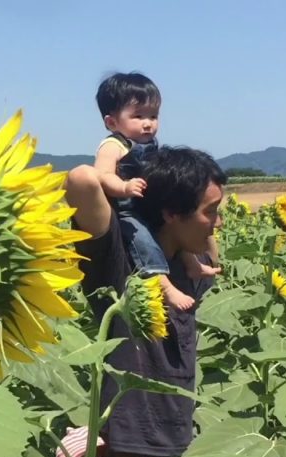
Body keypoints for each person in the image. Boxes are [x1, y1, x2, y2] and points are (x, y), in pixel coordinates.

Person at [64, 146, 226, 457]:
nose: (218, 223)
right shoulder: (118, 264)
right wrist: (115, 164)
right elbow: (81, 181)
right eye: (211, 211)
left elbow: (213, 250)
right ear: (172, 212)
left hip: (176, 451)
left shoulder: (191, 269)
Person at [74, 72, 219, 311]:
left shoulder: (150, 145)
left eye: (153, 115)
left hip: (148, 203)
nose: (148, 123)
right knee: (144, 240)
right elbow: (102, 175)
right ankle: (163, 283)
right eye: (138, 116)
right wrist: (124, 187)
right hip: (127, 210)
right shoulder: (113, 146)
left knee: (176, 230)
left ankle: (193, 264)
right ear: (112, 123)